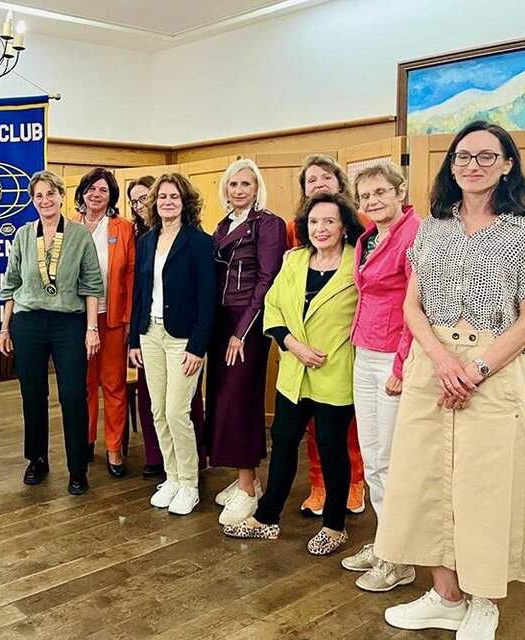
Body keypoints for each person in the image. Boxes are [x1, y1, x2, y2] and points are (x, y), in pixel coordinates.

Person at [376, 121, 525, 639]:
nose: (472, 165)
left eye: (485, 156)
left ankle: (483, 600)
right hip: (433, 365)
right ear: (451, 165)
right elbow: (412, 305)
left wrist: (473, 369)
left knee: (486, 488)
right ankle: (445, 595)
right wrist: (439, 357)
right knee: (426, 479)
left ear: (506, 165)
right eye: (462, 156)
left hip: (493, 368)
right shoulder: (434, 225)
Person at [224, 191, 364, 555]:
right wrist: (291, 344)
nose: (321, 228)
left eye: (330, 221)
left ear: (344, 225)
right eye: (314, 221)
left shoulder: (358, 264)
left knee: (333, 450)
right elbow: (272, 309)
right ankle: (267, 518)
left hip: (335, 373)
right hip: (293, 372)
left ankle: (334, 526)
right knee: (284, 444)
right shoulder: (293, 260)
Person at [339, 162, 420, 592]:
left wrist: (401, 365)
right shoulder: (369, 238)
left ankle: (398, 558)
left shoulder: (415, 235)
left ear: (400, 190)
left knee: (390, 460)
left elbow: (417, 306)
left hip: (393, 357)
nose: (372, 201)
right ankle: (384, 541)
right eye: (365, 196)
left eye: (380, 192)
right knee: (371, 457)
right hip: (363, 351)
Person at [0, 170, 104, 496]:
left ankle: (77, 469)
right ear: (33, 201)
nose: (45, 200)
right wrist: (5, 327)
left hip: (69, 323)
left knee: (73, 396)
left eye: (50, 194)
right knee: (33, 395)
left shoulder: (78, 235)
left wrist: (91, 328)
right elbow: (11, 285)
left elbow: (92, 286)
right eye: (38, 196)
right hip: (28, 322)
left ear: (61, 196)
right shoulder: (22, 236)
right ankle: (37, 459)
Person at [285, 155, 367, 517]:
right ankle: (318, 485)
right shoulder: (297, 231)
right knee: (314, 431)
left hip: (344, 347)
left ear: (340, 183)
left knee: (344, 428)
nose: (318, 183)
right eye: (310, 180)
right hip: (302, 351)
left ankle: (354, 483)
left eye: (325, 177)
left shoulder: (362, 229)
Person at [128, 173, 214, 516]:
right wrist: (134, 338)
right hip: (150, 335)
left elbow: (207, 299)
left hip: (183, 339)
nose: (167, 202)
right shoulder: (147, 241)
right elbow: (139, 294)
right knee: (158, 411)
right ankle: (173, 477)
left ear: (185, 202)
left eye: (174, 197)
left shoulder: (198, 241)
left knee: (179, 412)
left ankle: (190, 483)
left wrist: (198, 345)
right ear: (154, 203)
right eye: (162, 197)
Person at [206, 160, 286, 526]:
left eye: (246, 184)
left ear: (257, 188)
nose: (239, 190)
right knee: (223, 401)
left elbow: (267, 280)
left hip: (247, 324)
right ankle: (244, 478)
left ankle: (248, 489)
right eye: (233, 184)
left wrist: (242, 331)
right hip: (220, 325)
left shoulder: (268, 224)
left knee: (240, 402)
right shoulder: (223, 226)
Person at [74, 168, 135, 477]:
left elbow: (131, 275)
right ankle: (85, 441)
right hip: (77, 320)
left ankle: (113, 448)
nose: (95, 194)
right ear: (82, 193)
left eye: (103, 190)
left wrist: (127, 320)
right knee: (83, 386)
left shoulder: (123, 228)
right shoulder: (68, 227)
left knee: (113, 385)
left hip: (111, 319)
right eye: (90, 188)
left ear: (111, 196)